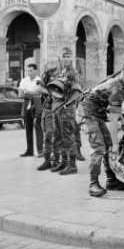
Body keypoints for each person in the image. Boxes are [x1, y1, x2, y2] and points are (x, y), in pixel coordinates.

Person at [79, 61, 124, 197]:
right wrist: (116, 144)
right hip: (89, 113)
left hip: (98, 112)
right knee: (100, 148)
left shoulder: (119, 85)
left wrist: (122, 120)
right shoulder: (117, 87)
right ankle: (93, 184)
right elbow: (112, 121)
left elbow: (113, 111)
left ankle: (111, 180)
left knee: (108, 145)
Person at [49, 47, 83, 175]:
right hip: (58, 109)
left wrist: (67, 105)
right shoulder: (59, 72)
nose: (66, 59)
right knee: (58, 136)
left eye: (69, 56)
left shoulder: (73, 73)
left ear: (72, 59)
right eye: (64, 56)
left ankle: (72, 165)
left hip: (67, 109)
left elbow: (78, 92)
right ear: (60, 58)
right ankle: (63, 162)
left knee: (68, 137)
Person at [36, 63, 58, 171]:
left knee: (51, 135)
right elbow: (40, 89)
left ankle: (54, 160)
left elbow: (57, 94)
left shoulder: (58, 80)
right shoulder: (46, 79)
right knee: (47, 135)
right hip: (46, 110)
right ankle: (48, 160)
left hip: (54, 110)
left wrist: (46, 91)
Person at [19, 64, 43, 157]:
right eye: (28, 70)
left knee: (38, 127)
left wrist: (28, 92)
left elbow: (40, 91)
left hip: (37, 104)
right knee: (28, 127)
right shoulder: (24, 80)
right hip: (26, 103)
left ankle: (40, 151)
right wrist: (33, 93)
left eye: (31, 70)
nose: (29, 72)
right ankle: (29, 150)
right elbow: (20, 94)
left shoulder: (39, 80)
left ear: (36, 71)